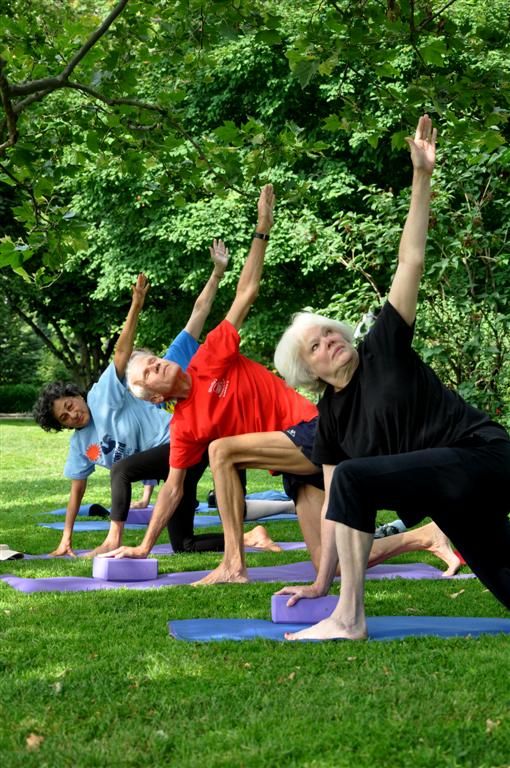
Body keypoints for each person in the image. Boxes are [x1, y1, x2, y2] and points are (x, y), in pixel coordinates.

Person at [272, 115, 510, 640]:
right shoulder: (330, 419)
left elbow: (412, 258)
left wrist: (422, 177)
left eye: (331, 333)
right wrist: (320, 579)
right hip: (452, 499)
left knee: (357, 477)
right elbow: (339, 511)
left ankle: (349, 619)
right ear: (307, 372)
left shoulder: (383, 345)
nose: (330, 341)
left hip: (484, 456)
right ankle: (338, 605)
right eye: (316, 345)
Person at [103, 184, 324, 578]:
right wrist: (144, 545)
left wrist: (262, 228)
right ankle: (426, 538)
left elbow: (246, 291)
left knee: (221, 450)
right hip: (293, 463)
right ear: (154, 398)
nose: (157, 365)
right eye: (150, 372)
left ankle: (234, 563)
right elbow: (173, 489)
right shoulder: (184, 426)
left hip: (312, 428)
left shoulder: (209, 356)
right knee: (329, 563)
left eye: (153, 360)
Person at [33, 247, 234, 557]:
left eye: (70, 405)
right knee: (183, 545)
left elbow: (194, 314)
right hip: (172, 466)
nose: (72, 414)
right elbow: (77, 490)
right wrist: (66, 538)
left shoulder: (112, 390)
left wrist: (137, 305)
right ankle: (249, 538)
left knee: (122, 469)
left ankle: (115, 538)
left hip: (185, 443)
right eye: (64, 417)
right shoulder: (87, 439)